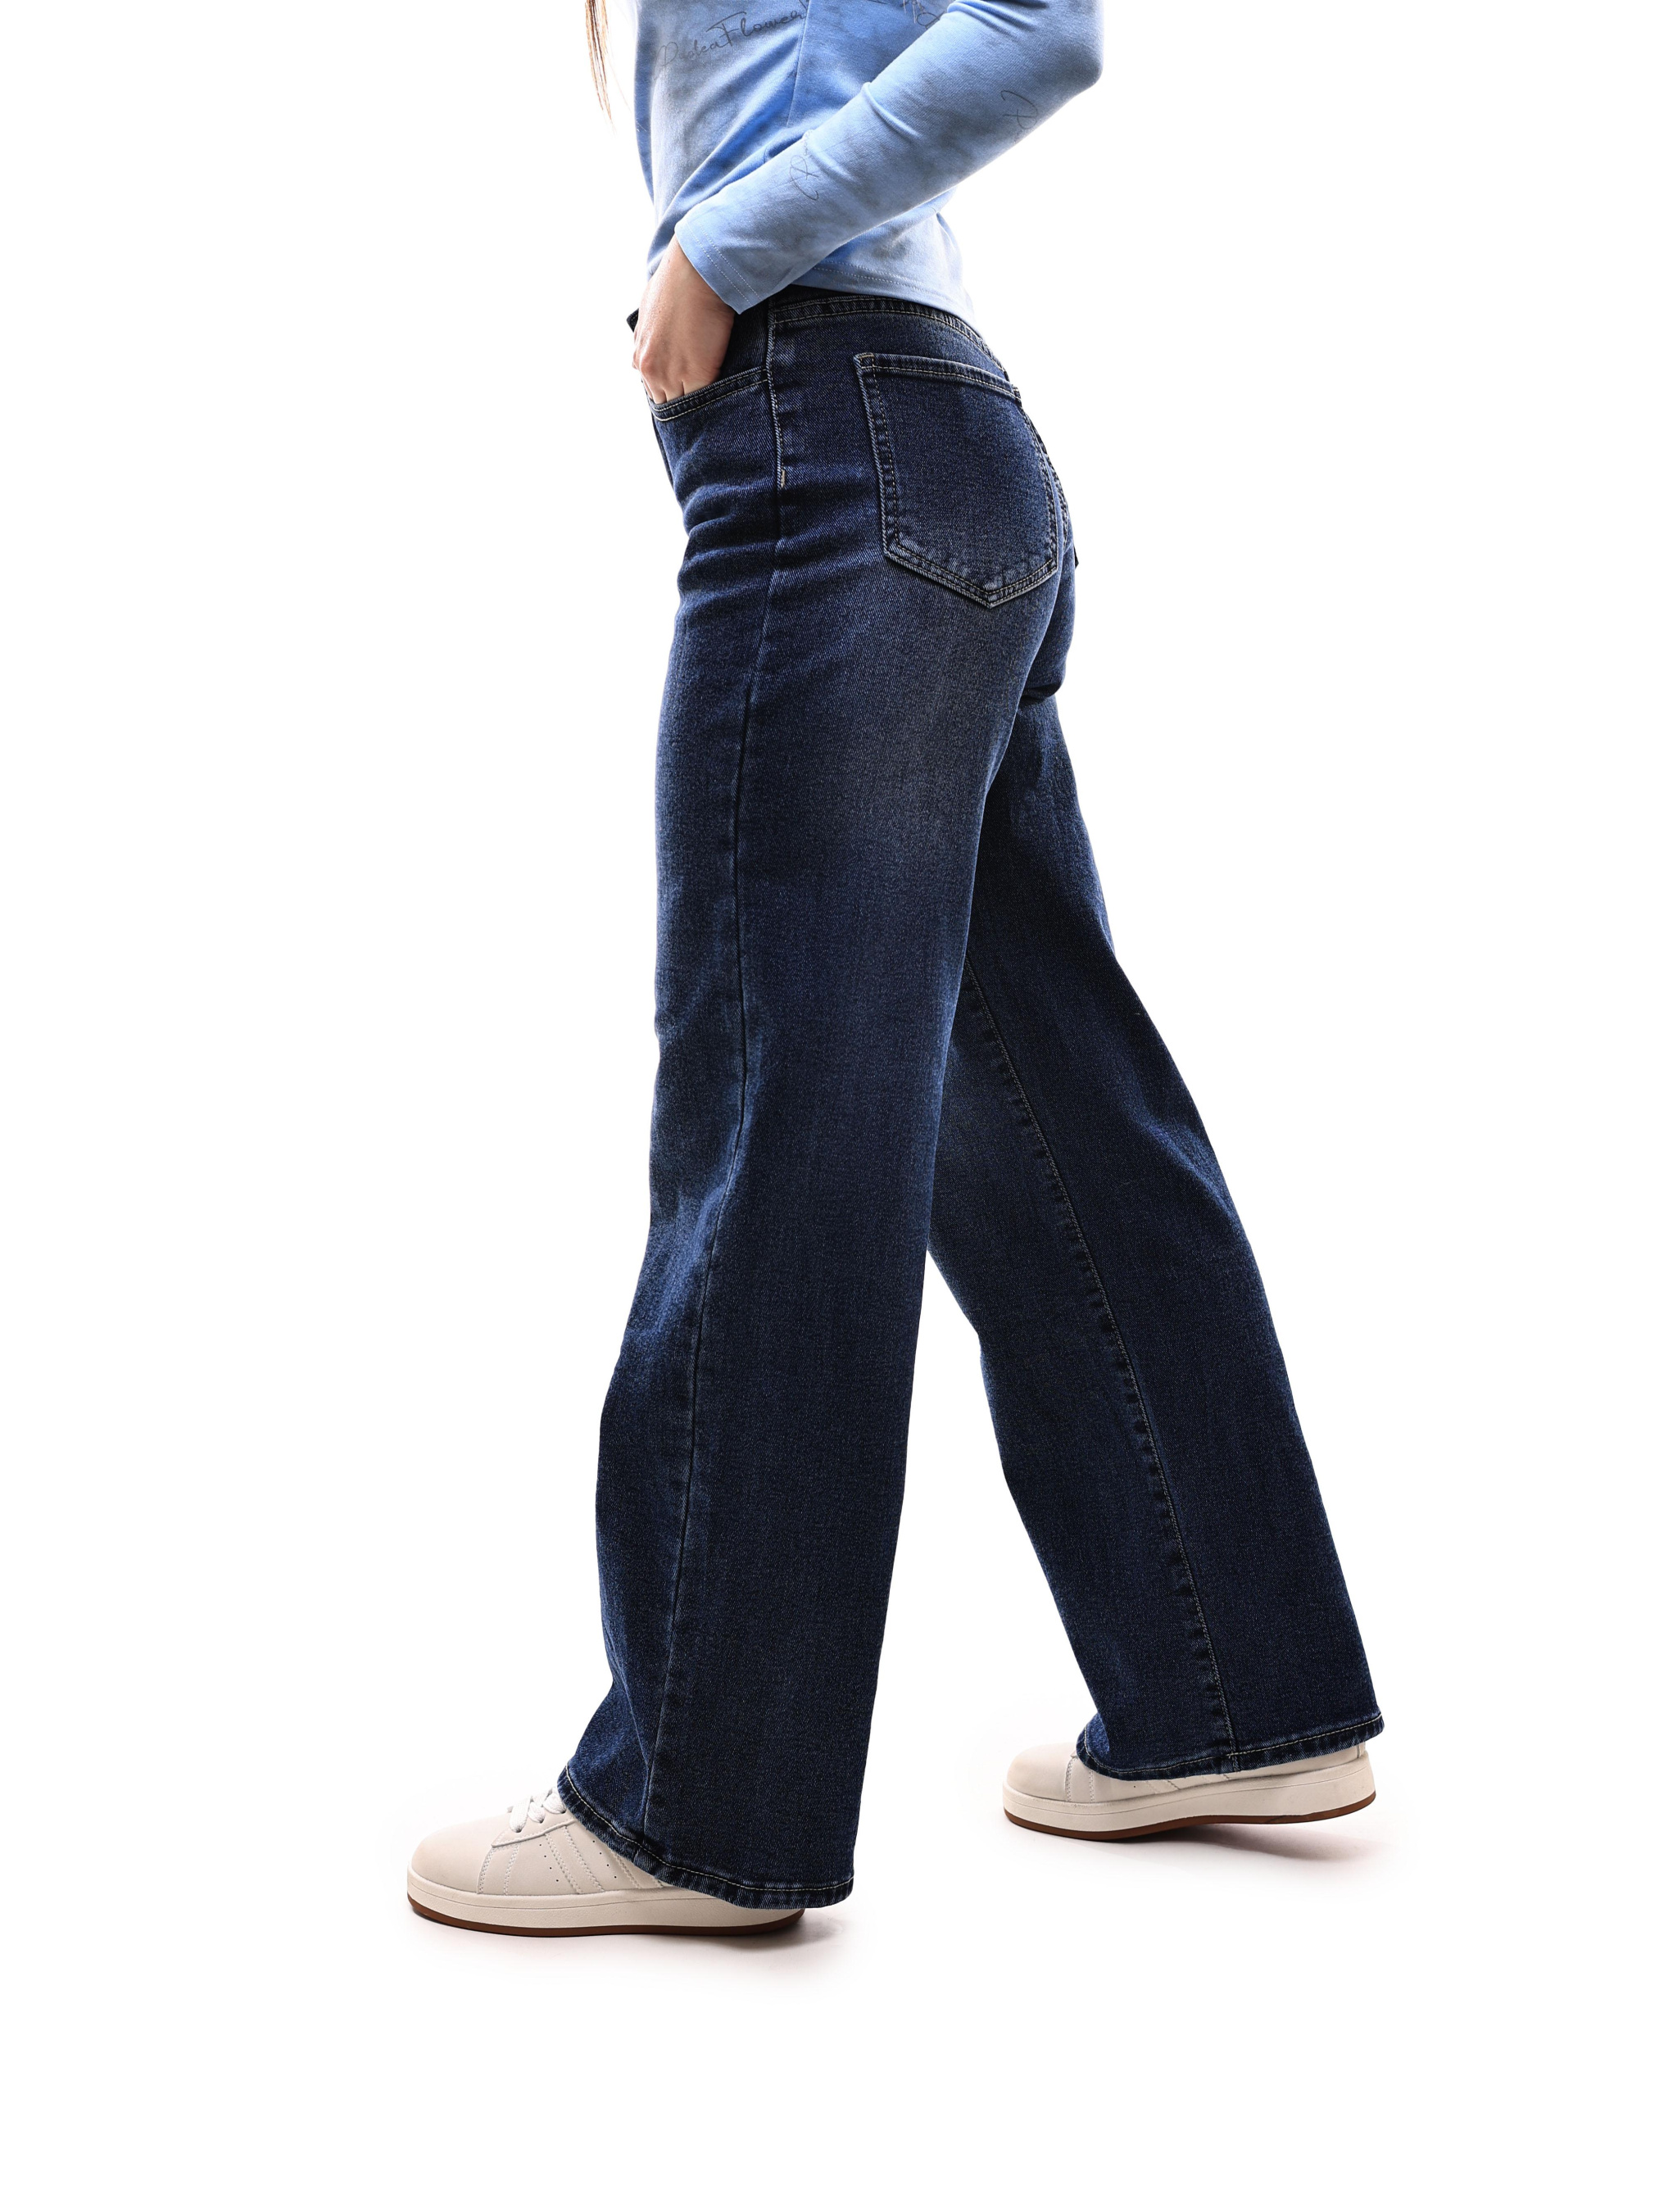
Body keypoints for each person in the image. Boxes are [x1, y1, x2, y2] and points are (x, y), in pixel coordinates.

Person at [407, 0, 1381, 1938]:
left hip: (833, 461)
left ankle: (699, 1802)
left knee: (777, 1121)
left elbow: (1041, 27)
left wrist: (714, 253)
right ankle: (1231, 1691)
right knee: (1048, 1123)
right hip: (922, 451)